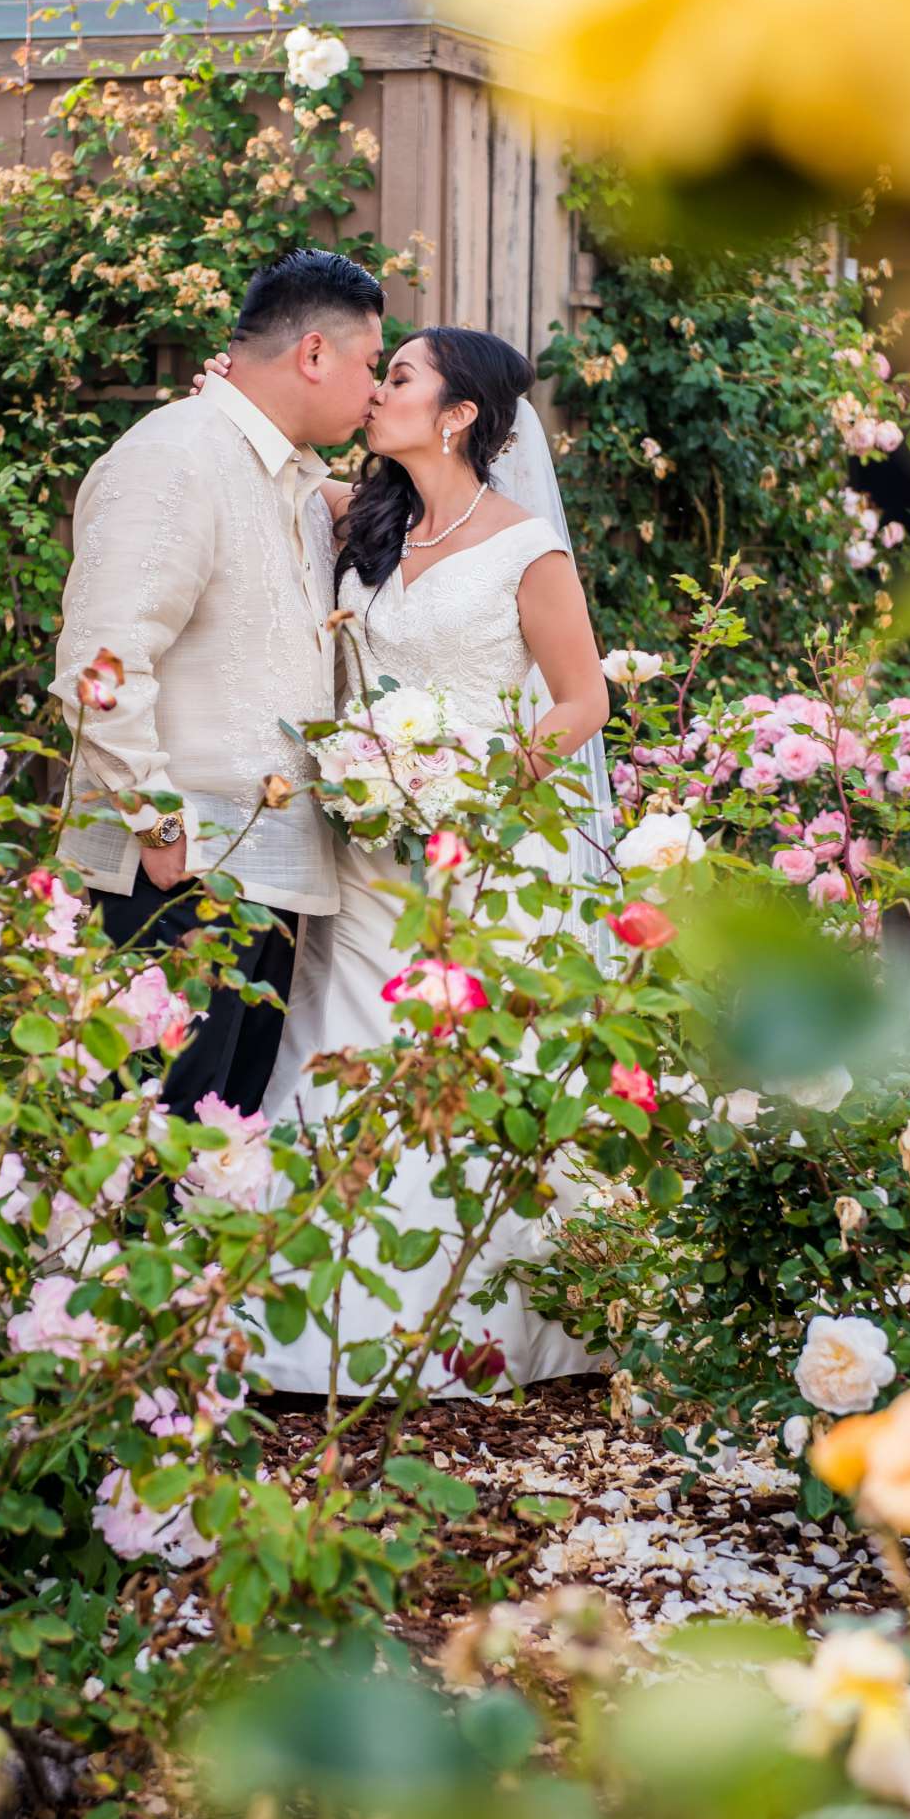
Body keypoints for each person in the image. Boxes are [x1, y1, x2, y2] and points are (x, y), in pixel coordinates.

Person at [198, 327, 614, 1394]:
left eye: (398, 379)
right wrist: (232, 396)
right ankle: (303, 1323)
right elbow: (279, 457)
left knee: (459, 1067)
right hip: (368, 841)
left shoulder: (529, 549)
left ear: (460, 413)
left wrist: (480, 793)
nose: (378, 394)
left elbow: (583, 702)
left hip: (477, 848)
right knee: (337, 1048)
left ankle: (466, 1323)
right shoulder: (364, 516)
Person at [51, 249, 383, 1114]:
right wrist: (159, 827)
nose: (376, 390)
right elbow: (101, 659)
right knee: (142, 1148)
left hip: (265, 880)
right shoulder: (175, 457)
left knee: (216, 1155)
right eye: (372, 364)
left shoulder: (294, 479)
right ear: (315, 354)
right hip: (178, 874)